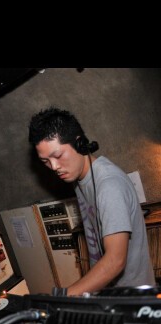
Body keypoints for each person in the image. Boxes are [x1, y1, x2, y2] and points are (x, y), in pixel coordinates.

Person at [28, 107, 156, 296]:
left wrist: (64, 297)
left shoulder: (109, 186)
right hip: (108, 294)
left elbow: (115, 261)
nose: (54, 167)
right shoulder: (79, 179)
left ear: (80, 144)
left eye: (58, 156)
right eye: (45, 161)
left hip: (132, 299)